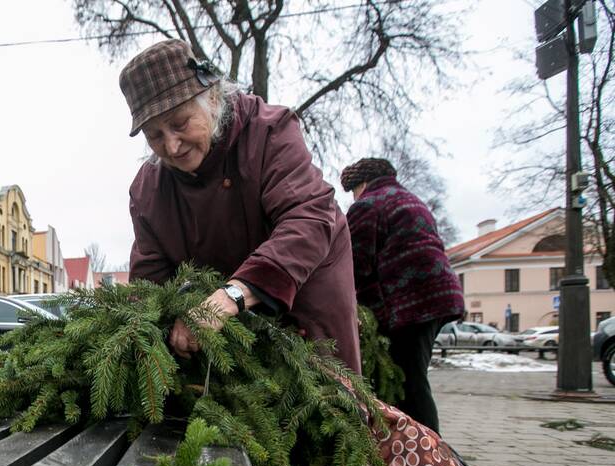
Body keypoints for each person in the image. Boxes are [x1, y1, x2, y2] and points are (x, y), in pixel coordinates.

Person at [120, 40, 361, 373]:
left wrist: (230, 297)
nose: (172, 146)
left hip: (304, 281)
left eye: (180, 123)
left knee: (326, 398)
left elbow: (306, 217)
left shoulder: (269, 132)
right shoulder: (148, 190)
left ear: (213, 99)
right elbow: (149, 279)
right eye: (155, 135)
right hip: (216, 317)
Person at [340, 157, 464, 433]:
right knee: (412, 374)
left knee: (410, 382)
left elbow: (354, 265)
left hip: (410, 304)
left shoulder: (368, 205)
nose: (353, 197)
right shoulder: (410, 200)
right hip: (440, 297)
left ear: (361, 183)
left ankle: (434, 457)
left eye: (353, 190)